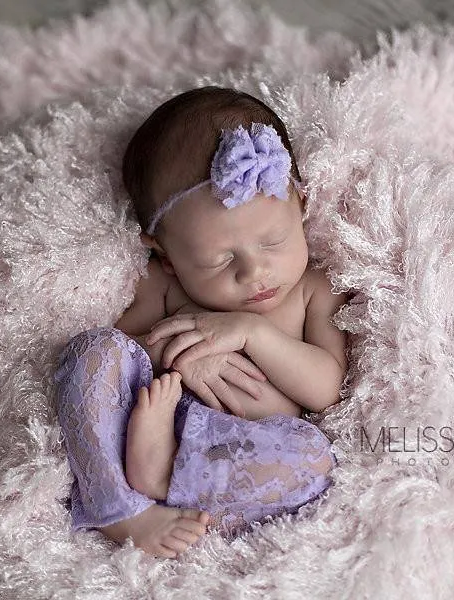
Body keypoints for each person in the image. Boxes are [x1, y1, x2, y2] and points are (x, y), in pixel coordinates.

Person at [53, 86, 349, 559]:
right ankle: (117, 505)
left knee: (314, 460)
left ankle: (167, 476)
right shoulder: (168, 287)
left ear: (302, 206)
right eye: (218, 261)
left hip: (240, 446)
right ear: (167, 257)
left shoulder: (315, 289)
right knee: (92, 350)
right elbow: (128, 352)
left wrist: (253, 333)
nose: (254, 273)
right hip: (156, 414)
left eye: (273, 242)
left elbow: (325, 389)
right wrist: (177, 353)